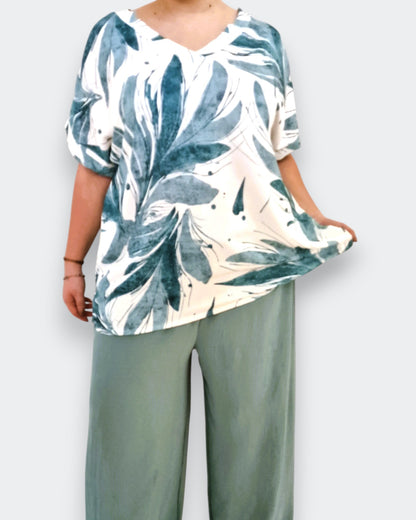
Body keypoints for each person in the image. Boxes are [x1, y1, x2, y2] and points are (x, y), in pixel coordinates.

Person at [62, 1, 357, 518]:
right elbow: (93, 165)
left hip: (253, 275)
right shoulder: (112, 39)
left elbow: (278, 154)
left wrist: (316, 218)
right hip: (138, 285)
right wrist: (72, 262)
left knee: (255, 472)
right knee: (128, 477)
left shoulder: (264, 40)